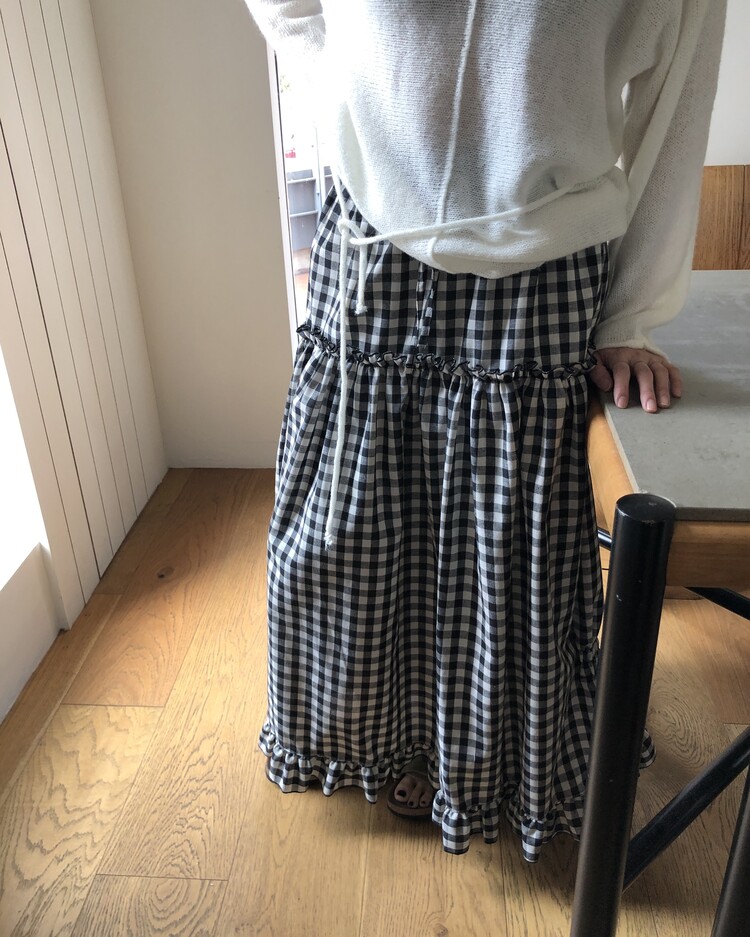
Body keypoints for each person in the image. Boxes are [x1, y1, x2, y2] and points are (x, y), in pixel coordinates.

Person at [243, 0, 726, 861]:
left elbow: (676, 98)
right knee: (354, 530)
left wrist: (634, 312)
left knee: (502, 551)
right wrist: (346, 95)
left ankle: (476, 764)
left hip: (544, 257)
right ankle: (379, 736)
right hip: (372, 236)